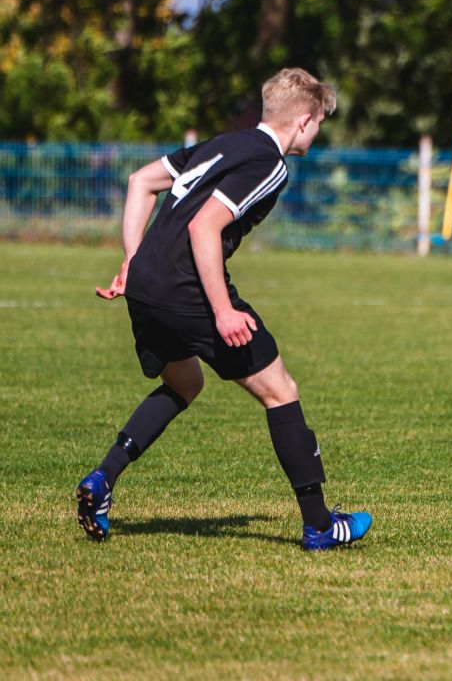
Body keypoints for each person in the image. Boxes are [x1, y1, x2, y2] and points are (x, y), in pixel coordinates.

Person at [78, 68, 373, 551]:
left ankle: (102, 480)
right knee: (281, 391)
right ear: (303, 121)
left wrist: (133, 262)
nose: (318, 131)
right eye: (319, 121)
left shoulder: (224, 144)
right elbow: (203, 228)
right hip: (187, 287)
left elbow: (140, 182)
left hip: (149, 283)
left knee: (184, 383)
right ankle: (320, 524)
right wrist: (222, 311)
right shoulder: (270, 164)